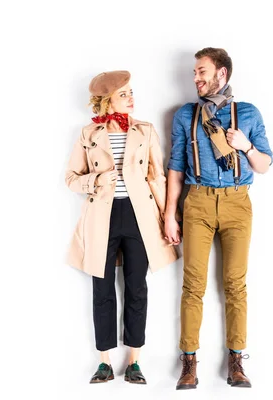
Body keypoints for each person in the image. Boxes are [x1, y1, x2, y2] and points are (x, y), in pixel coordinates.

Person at [164, 48, 273, 389]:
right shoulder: (186, 115)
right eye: (195, 73)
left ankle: (236, 361)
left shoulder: (249, 114)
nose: (195, 78)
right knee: (192, 286)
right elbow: (176, 168)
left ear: (221, 74)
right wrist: (170, 214)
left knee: (235, 285)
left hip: (238, 203)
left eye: (201, 72)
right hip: (196, 202)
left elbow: (265, 164)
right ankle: (189, 362)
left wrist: (245, 147)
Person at [65, 70, 178, 385]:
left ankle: (135, 362)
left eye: (131, 92)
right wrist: (97, 180)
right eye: (124, 93)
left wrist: (169, 216)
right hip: (101, 216)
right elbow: (71, 178)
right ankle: (104, 362)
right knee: (101, 289)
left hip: (139, 216)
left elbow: (157, 176)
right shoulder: (90, 133)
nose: (131, 98)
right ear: (108, 100)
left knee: (137, 287)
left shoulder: (145, 130)